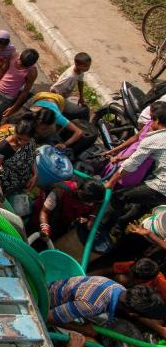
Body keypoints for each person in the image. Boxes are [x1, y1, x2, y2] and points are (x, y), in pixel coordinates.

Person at [106, 102, 166, 236]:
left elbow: (131, 164)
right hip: (162, 189)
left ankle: (104, 226)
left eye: (152, 119)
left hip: (161, 186)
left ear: (156, 120)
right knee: (142, 206)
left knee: (118, 197)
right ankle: (118, 228)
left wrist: (111, 182)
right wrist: (120, 157)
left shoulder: (155, 138)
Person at [33, 179, 105, 241]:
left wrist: (91, 219)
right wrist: (45, 229)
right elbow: (44, 212)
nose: (92, 204)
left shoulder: (93, 195)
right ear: (81, 196)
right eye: (90, 203)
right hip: (46, 217)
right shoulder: (60, 191)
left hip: (63, 223)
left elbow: (97, 205)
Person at [0, 112, 38, 196]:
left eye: (25, 140)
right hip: (6, 183)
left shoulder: (31, 141)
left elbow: (31, 157)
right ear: (14, 130)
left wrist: (35, 175)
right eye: (18, 138)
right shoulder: (3, 147)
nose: (20, 142)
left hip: (23, 180)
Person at [0, 48, 39, 128]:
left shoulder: (32, 72)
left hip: (7, 96)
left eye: (23, 66)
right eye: (20, 61)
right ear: (20, 56)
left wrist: (14, 107)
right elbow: (2, 70)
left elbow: (25, 91)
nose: (19, 64)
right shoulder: (13, 55)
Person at [50, 52, 92, 120]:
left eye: (89, 66)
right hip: (58, 100)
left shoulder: (80, 71)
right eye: (86, 66)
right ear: (78, 65)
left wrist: (81, 97)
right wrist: (58, 104)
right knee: (82, 111)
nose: (88, 68)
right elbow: (53, 89)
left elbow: (80, 81)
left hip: (64, 97)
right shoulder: (70, 77)